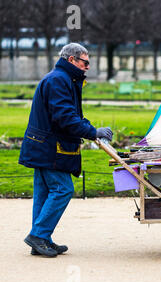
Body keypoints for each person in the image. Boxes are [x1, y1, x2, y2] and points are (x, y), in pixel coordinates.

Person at [19, 43, 113, 257]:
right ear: (71, 60)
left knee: (44, 193)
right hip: (49, 148)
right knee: (63, 189)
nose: (87, 67)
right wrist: (93, 132)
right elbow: (66, 119)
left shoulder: (62, 78)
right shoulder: (59, 80)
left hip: (42, 146)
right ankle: (39, 236)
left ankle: (41, 238)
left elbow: (71, 116)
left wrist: (91, 129)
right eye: (85, 62)